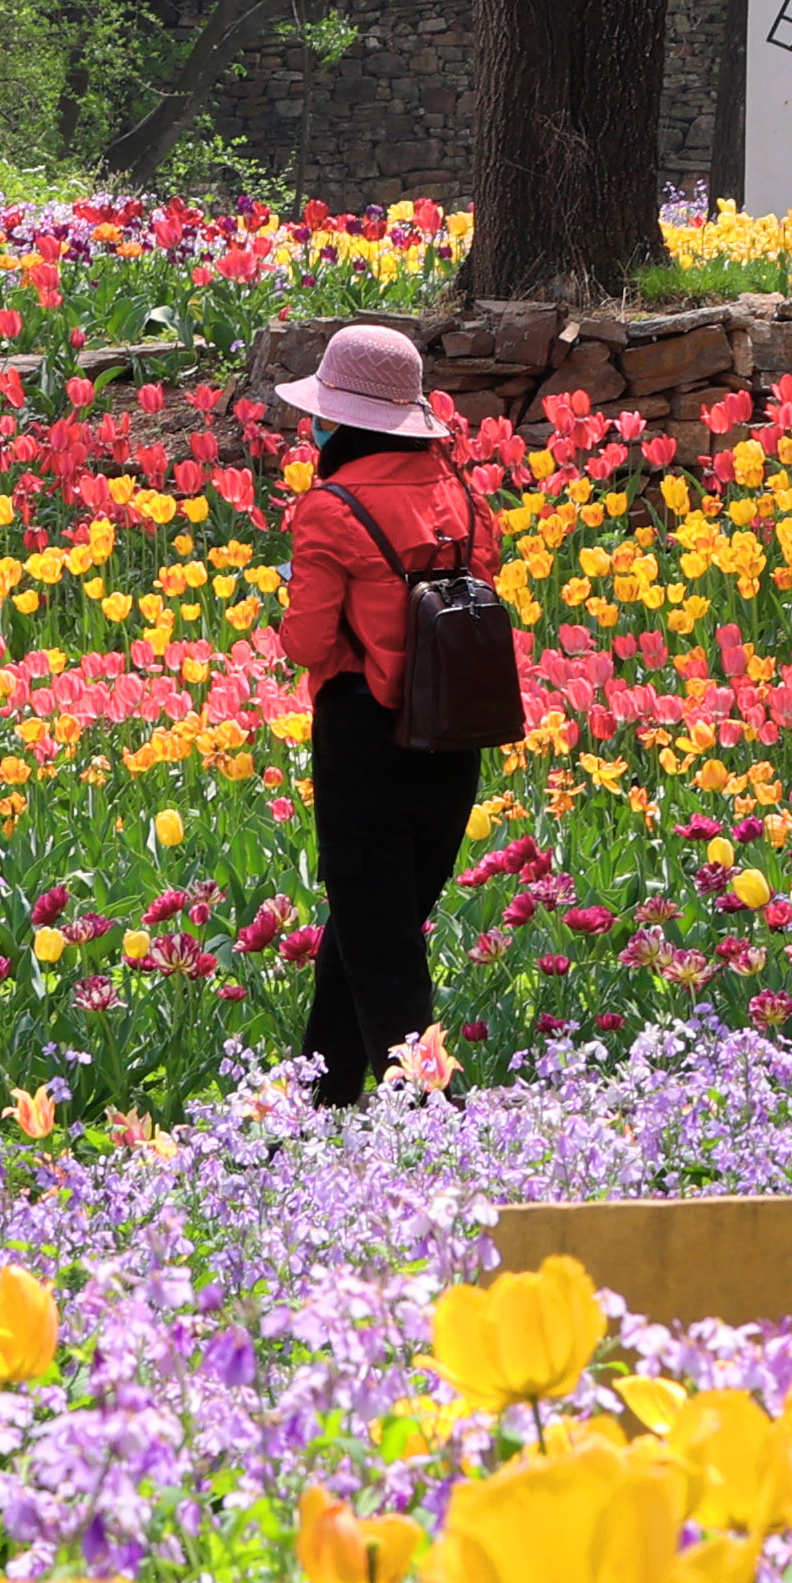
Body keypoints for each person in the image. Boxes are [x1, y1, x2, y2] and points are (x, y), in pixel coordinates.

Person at [272, 322, 485, 1105]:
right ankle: (319, 1102)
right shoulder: (462, 494)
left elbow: (305, 642)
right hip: (455, 729)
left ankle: (433, 1119)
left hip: (366, 737)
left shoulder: (331, 509)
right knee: (370, 927)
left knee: (383, 946)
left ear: (341, 420)